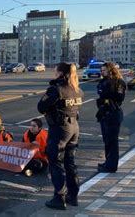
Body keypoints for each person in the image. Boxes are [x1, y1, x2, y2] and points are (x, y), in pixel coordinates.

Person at [38, 62, 84, 210]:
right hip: (74, 128)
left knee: (55, 162)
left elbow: (41, 107)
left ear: (60, 73)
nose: (54, 74)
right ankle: (73, 195)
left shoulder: (56, 89)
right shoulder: (76, 88)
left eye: (55, 71)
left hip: (60, 129)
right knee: (70, 162)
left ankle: (59, 197)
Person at [96, 62, 126, 173]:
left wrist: (107, 99)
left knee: (112, 141)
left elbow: (119, 97)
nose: (102, 72)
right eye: (101, 70)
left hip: (113, 113)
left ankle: (112, 165)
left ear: (110, 70)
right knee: (107, 140)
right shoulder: (104, 81)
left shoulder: (118, 82)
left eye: (104, 70)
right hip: (105, 113)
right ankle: (108, 161)